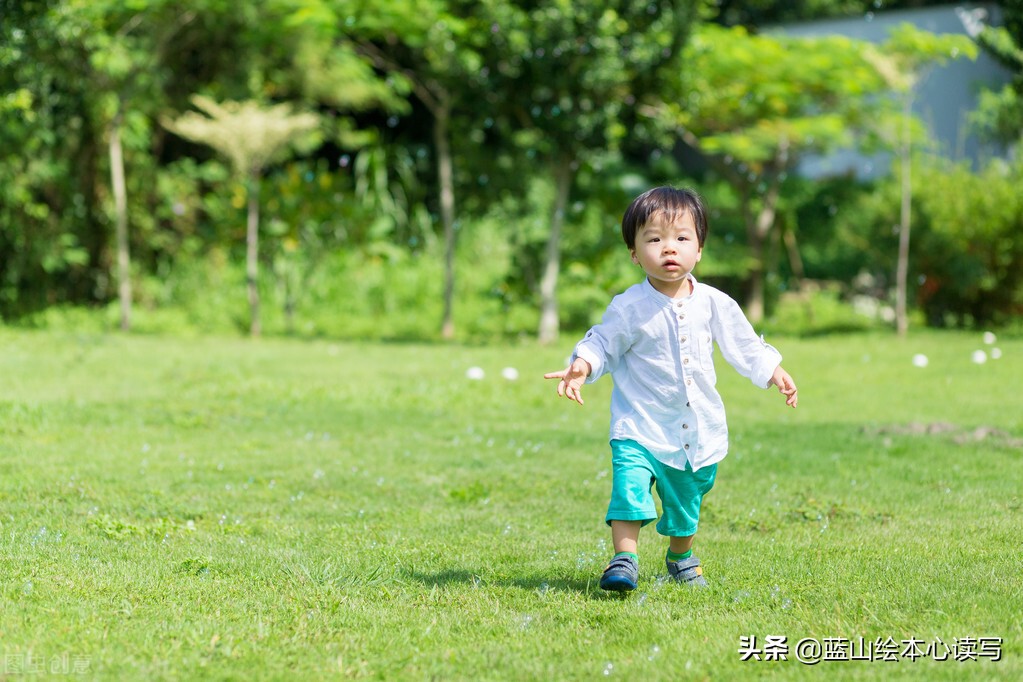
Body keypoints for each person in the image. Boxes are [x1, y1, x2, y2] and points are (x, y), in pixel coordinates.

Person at [544, 186, 797, 592]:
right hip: (638, 426)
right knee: (629, 489)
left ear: (699, 249)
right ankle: (624, 560)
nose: (669, 248)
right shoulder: (629, 306)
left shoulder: (714, 302)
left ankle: (681, 556)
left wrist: (772, 369)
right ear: (634, 252)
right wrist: (583, 364)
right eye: (654, 239)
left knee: (686, 503)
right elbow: (604, 341)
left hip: (695, 431)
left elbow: (743, 343)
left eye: (682, 238)